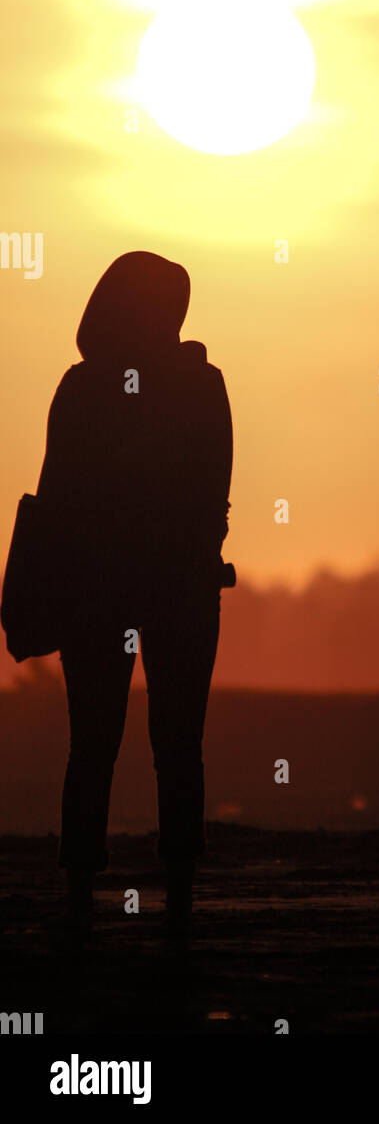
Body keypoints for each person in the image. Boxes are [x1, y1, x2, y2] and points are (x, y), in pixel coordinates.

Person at [35, 251, 233, 937]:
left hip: (100, 591)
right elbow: (215, 498)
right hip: (177, 591)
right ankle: (178, 892)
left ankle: (80, 891)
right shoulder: (201, 385)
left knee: (92, 741)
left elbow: (55, 500)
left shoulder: (83, 387)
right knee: (179, 743)